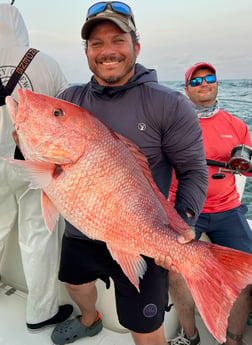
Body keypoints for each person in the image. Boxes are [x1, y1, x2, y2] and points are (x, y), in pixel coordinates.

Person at [50, 3, 208, 345]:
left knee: (145, 329)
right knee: (75, 284)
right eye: (96, 44)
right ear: (87, 52)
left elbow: (194, 171)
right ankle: (90, 318)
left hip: (141, 235)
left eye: (118, 40)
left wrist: (181, 226)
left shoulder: (169, 104)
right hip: (81, 229)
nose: (107, 51)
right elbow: (45, 166)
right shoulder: (70, 100)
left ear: (136, 47)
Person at [167, 62, 252, 345]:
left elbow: (248, 169)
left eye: (210, 78)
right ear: (186, 90)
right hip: (186, 208)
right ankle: (189, 335)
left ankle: (233, 340)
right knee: (176, 271)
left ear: (217, 83)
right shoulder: (173, 124)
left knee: (248, 274)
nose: (204, 83)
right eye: (196, 81)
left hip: (228, 208)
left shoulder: (237, 125)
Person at [0, 2, 73, 330]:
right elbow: (70, 114)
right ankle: (39, 313)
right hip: (33, 164)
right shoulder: (47, 63)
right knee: (37, 240)